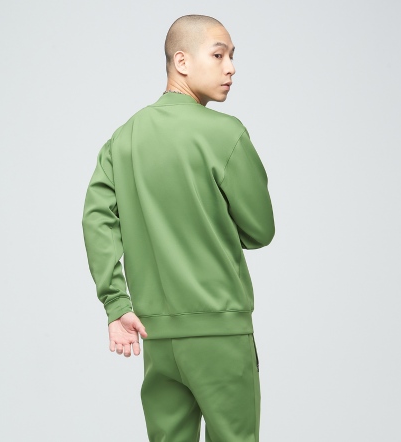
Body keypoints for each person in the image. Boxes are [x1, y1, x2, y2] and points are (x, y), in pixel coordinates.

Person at [82, 13, 275, 442]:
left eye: (232, 56)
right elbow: (260, 231)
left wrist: (116, 304)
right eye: (219, 55)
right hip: (220, 333)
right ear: (182, 61)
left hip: (156, 336)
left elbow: (96, 219)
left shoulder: (123, 138)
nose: (231, 67)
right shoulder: (225, 134)